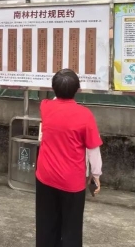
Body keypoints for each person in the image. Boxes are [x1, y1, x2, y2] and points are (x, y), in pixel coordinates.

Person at [35, 69, 102, 247]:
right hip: (72, 182)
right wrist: (96, 174)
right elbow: (93, 149)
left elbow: (55, 99)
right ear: (78, 90)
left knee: (46, 224)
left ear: (53, 89)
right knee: (71, 228)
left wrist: (60, 90)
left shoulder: (45, 107)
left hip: (46, 176)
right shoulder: (85, 115)